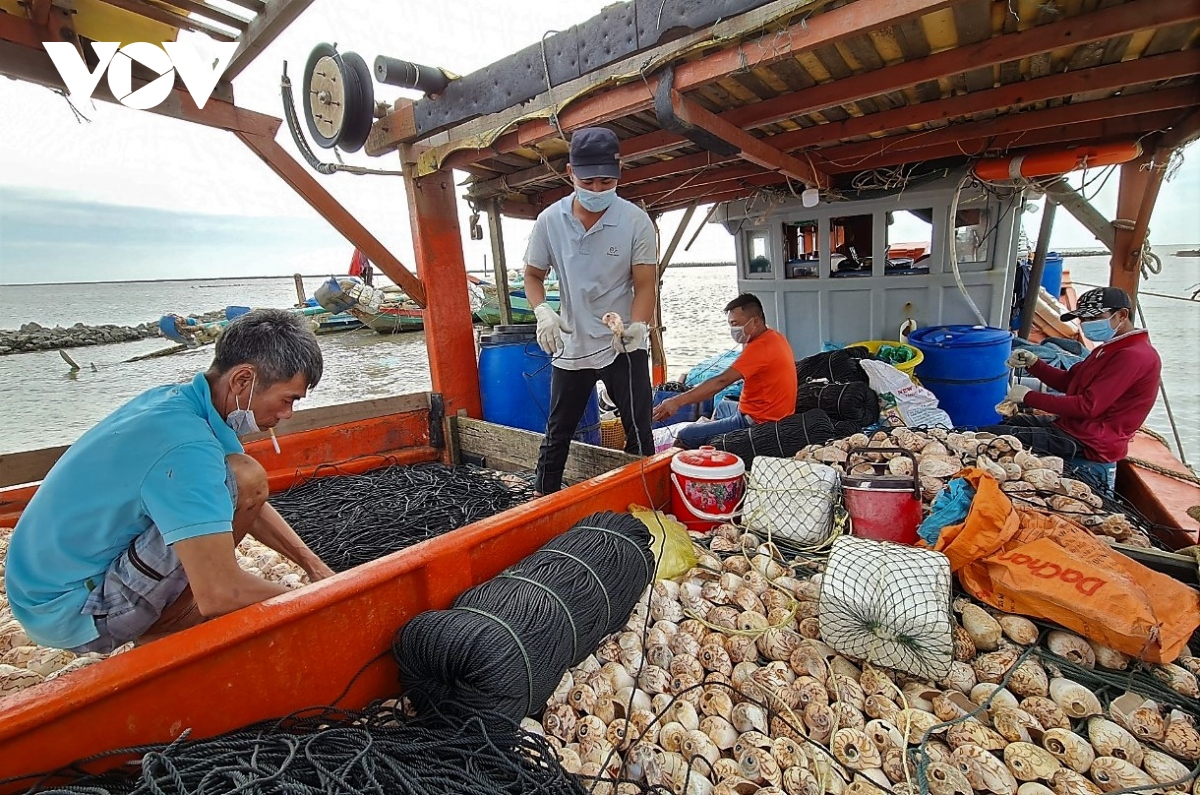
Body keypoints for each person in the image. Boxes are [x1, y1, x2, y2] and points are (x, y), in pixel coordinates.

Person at [5, 309, 336, 652]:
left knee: (241, 476)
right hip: (73, 612)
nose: (287, 416)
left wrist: (315, 568)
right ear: (242, 381)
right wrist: (315, 602)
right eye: (288, 400)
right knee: (244, 477)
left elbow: (244, 494)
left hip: (39, 591)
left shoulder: (177, 402)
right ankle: (169, 627)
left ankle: (167, 617)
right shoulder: (187, 447)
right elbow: (220, 593)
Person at [525, 126, 657, 494]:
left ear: (619, 173)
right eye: (589, 181)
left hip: (623, 344)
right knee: (557, 433)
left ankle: (643, 501)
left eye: (606, 181)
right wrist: (542, 312)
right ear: (570, 173)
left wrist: (638, 328)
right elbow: (533, 275)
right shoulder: (550, 221)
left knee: (640, 430)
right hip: (572, 342)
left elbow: (645, 285)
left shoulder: (635, 221)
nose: (598, 190)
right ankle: (542, 499)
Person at [987, 286, 1161, 489]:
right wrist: (1034, 363)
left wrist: (1028, 397)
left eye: (1093, 317)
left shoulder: (1133, 356)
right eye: (1084, 319)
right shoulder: (1111, 347)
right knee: (1009, 421)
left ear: (1122, 314)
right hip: (1074, 427)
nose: (1086, 324)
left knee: (994, 436)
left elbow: (1088, 406)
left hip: (1089, 441)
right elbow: (1070, 382)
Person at [653, 293, 797, 448]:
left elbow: (721, 381)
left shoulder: (759, 347)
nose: (733, 330)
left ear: (755, 321)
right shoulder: (775, 337)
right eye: (730, 325)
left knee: (685, 435)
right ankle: (714, 430)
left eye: (736, 324)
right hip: (775, 412)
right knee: (722, 405)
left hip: (756, 421)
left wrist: (676, 401)